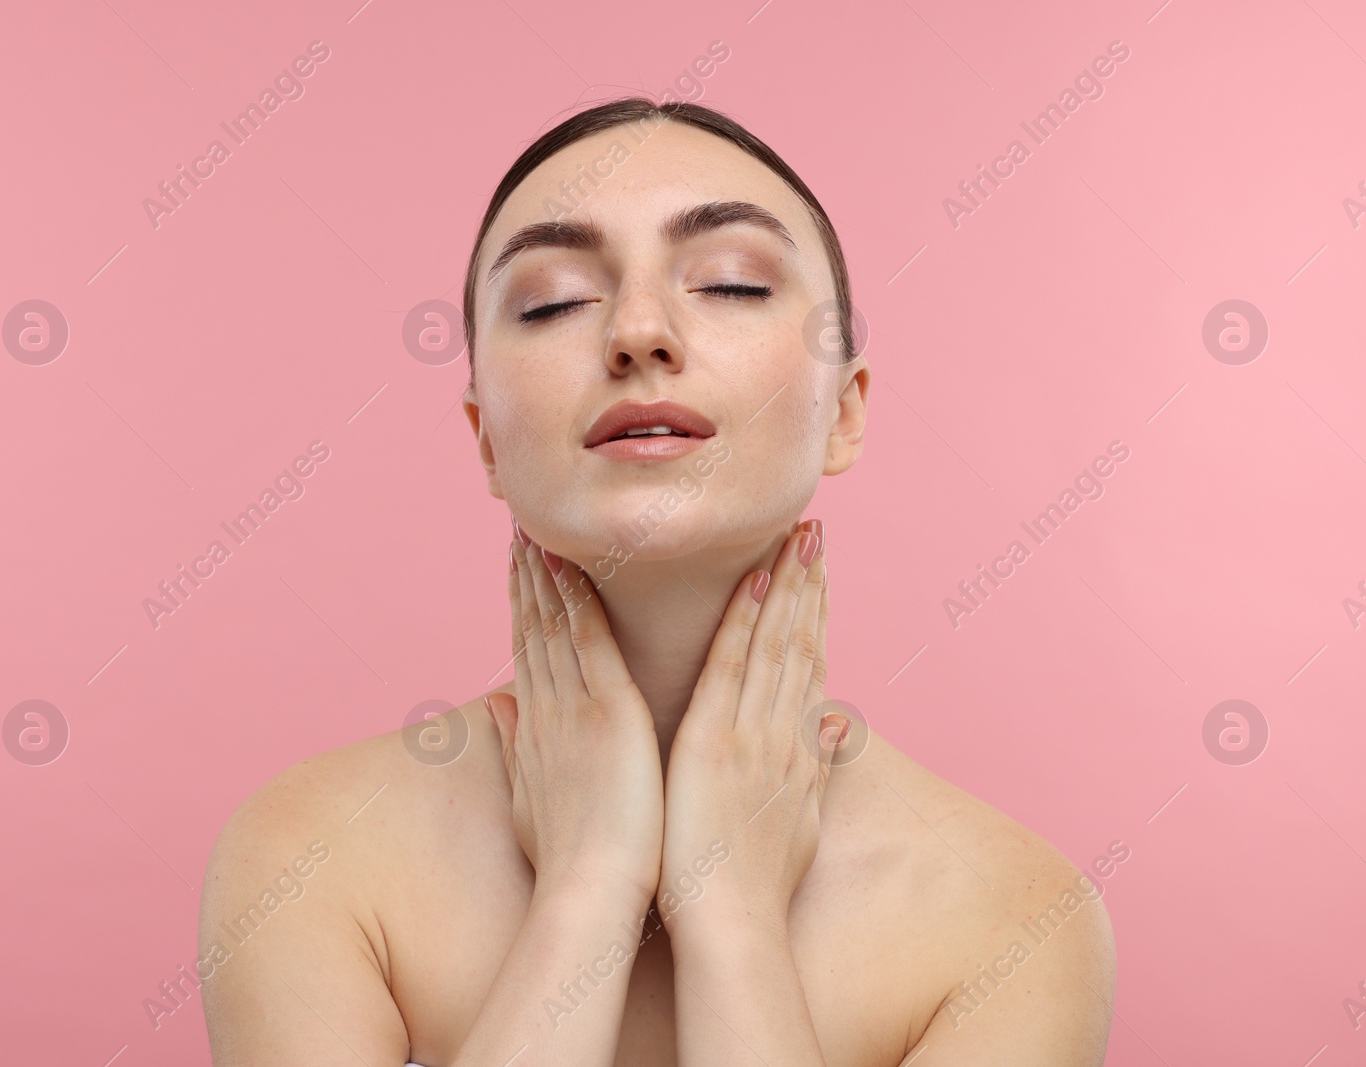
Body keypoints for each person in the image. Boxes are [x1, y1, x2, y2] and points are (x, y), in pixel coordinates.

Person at [199, 96, 1116, 1066]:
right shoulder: (306, 854)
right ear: (484, 439)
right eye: (553, 298)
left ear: (844, 408)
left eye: (730, 283)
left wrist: (732, 913)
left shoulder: (1016, 921)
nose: (639, 332)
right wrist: (587, 887)